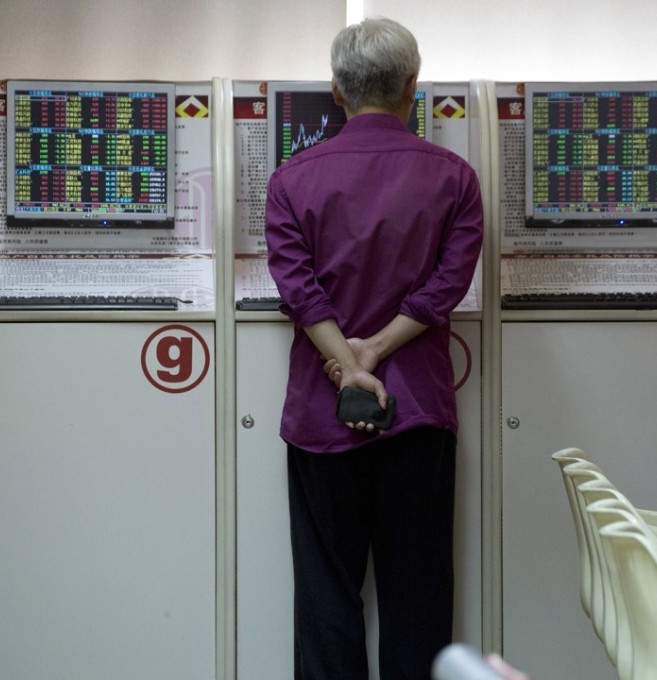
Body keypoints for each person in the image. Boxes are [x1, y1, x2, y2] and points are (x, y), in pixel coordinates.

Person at [264, 16, 484, 680]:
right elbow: (448, 284)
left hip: (321, 415)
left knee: (327, 596)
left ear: (337, 89)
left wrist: (348, 366)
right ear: (413, 87)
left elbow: (299, 289)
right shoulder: (455, 177)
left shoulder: (291, 180)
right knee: (418, 599)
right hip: (418, 412)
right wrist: (379, 350)